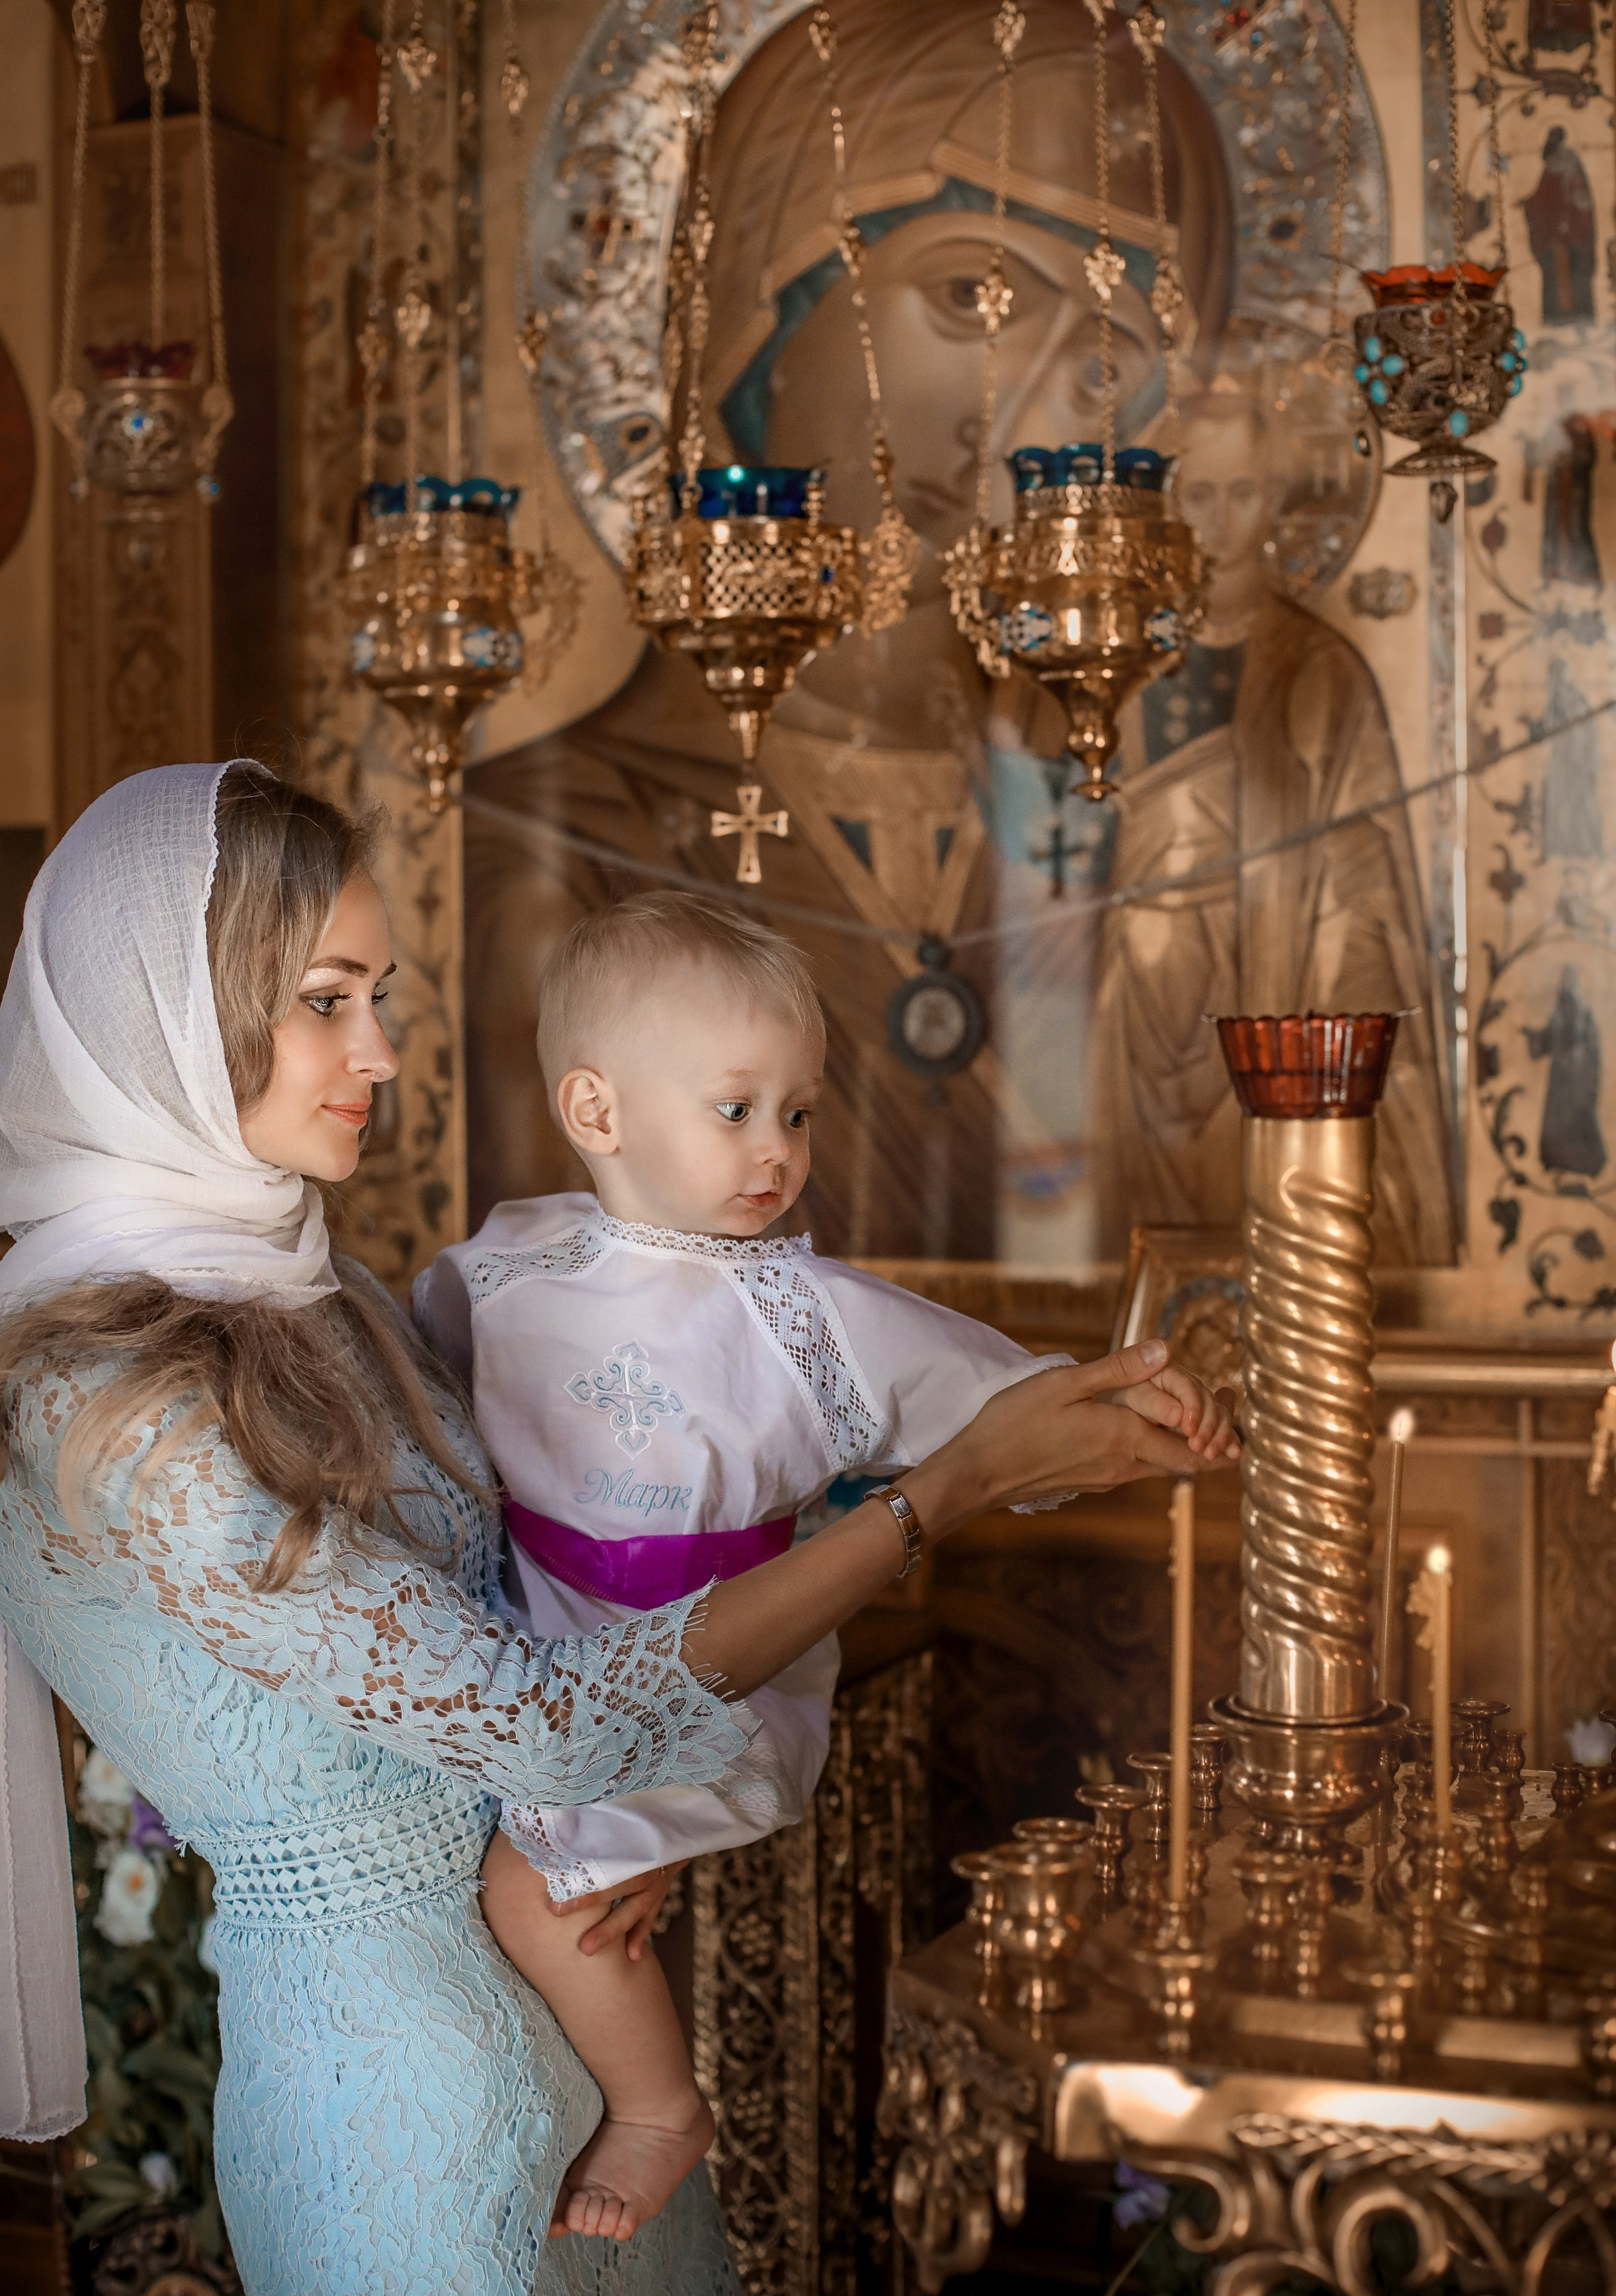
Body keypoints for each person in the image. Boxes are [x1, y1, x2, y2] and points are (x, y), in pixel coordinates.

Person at [0, 760, 1230, 2296]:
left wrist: (622, 1835)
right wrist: (945, 1491)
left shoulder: (328, 1296)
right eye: (326, 998)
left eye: (378, 992)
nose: (380, 1049)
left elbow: (579, 1566)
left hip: (582, 2044)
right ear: (174, 1017)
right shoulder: (105, 1398)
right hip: (403, 2109)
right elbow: (551, 1724)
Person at [412, 892, 1237, 2243]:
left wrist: (1143, 1415)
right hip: (555, 1637)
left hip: (725, 1676)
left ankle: (658, 2105)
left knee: (531, 1886)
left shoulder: (810, 1319)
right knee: (511, 1863)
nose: (776, 1150)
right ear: (595, 1111)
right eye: (735, 1109)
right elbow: (417, 1367)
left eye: (797, 1112)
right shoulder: (511, 1267)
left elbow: (996, 1405)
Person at [464, 0, 1236, 1260]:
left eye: (1102, 360)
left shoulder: (1144, 826)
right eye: (972, 297)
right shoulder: (551, 846)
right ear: (756, 315)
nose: (1021, 409)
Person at [1087, 390, 1456, 1268]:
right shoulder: (1108, 661)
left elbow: (1366, 879)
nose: (1220, 521)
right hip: (1139, 1005)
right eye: (1198, 494)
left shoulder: (1322, 669)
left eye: (1242, 492)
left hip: (1275, 988)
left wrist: (1330, 1009)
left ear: (1278, 498)